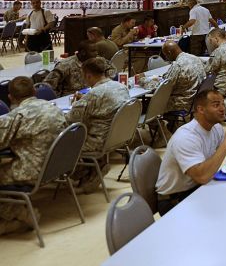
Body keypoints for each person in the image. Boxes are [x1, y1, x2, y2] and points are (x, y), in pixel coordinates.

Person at [0, 76, 66, 234]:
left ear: (10, 97)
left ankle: (18, 213)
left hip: (31, 172)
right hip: (56, 167)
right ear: (34, 91)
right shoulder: (54, 107)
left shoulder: (17, 117)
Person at [66, 58, 130, 192]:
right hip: (117, 137)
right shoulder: (121, 87)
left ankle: (85, 171)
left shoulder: (94, 94)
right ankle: (93, 168)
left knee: (59, 143)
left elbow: (72, 120)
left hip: (97, 141)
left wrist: (77, 103)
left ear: (88, 75)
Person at [44, 40, 109, 96]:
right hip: (70, 98)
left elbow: (112, 70)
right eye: (93, 51)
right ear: (83, 52)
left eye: (96, 51)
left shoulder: (96, 60)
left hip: (91, 93)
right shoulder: (65, 65)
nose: (96, 53)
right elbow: (47, 85)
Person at [158, 40, 206, 115]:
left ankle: (158, 125)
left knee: (152, 104)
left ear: (169, 53)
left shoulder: (177, 65)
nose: (167, 59)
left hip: (184, 103)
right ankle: (171, 124)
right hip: (197, 99)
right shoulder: (195, 58)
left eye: (166, 55)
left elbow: (165, 87)